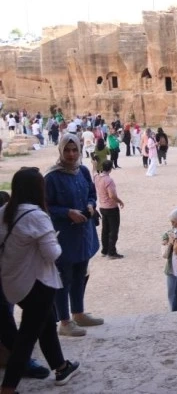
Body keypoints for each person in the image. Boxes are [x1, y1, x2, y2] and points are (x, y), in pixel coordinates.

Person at [0, 168, 81, 392]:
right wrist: (54, 240)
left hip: (13, 282)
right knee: (26, 338)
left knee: (46, 323)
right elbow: (52, 254)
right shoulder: (36, 216)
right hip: (37, 284)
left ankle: (61, 367)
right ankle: (7, 387)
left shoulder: (5, 211)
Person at [45, 134, 103, 337]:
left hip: (84, 233)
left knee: (80, 274)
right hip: (64, 236)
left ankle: (78, 313)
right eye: (67, 150)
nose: (71, 154)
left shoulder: (83, 171)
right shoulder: (51, 177)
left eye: (74, 150)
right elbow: (45, 206)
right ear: (61, 151)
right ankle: (64, 321)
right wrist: (67, 212)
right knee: (64, 278)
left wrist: (90, 205)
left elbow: (92, 194)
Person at [94, 160, 125, 259]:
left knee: (105, 229)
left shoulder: (97, 177)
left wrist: (94, 163)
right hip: (111, 207)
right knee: (113, 230)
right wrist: (120, 201)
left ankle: (105, 250)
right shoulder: (108, 180)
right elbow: (112, 195)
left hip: (102, 206)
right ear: (111, 168)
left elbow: (94, 171)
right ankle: (112, 252)